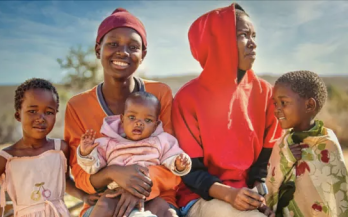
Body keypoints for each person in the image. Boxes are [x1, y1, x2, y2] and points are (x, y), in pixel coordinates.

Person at [64, 8, 180, 217]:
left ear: (142, 55)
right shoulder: (78, 106)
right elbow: (81, 176)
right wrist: (113, 173)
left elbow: (173, 159)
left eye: (133, 47)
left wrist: (138, 187)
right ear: (98, 50)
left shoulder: (160, 94)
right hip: (104, 202)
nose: (122, 52)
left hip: (157, 197)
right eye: (113, 44)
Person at [171, 3, 282, 217]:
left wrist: (259, 194)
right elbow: (190, 171)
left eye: (254, 36)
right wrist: (230, 195)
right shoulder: (188, 98)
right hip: (203, 195)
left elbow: (263, 163)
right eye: (243, 35)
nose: (253, 44)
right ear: (218, 41)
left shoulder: (266, 92)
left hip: (247, 192)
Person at [77, 92, 191, 216]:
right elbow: (94, 167)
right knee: (104, 205)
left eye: (147, 120)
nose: (138, 123)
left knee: (167, 211)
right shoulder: (109, 143)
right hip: (117, 191)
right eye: (132, 117)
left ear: (155, 125)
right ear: (122, 119)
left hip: (151, 193)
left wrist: (180, 164)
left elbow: (172, 158)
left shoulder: (161, 141)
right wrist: (86, 153)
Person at [0, 78, 98, 217]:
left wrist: (84, 197)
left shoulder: (60, 149)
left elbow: (65, 181)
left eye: (49, 112)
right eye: (32, 111)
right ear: (18, 115)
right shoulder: (8, 158)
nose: (41, 118)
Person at [265, 70, 348, 217]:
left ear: (309, 105)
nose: (277, 110)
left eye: (283, 103)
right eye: (275, 103)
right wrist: (286, 159)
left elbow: (337, 194)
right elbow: (270, 186)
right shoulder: (282, 144)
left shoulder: (327, 143)